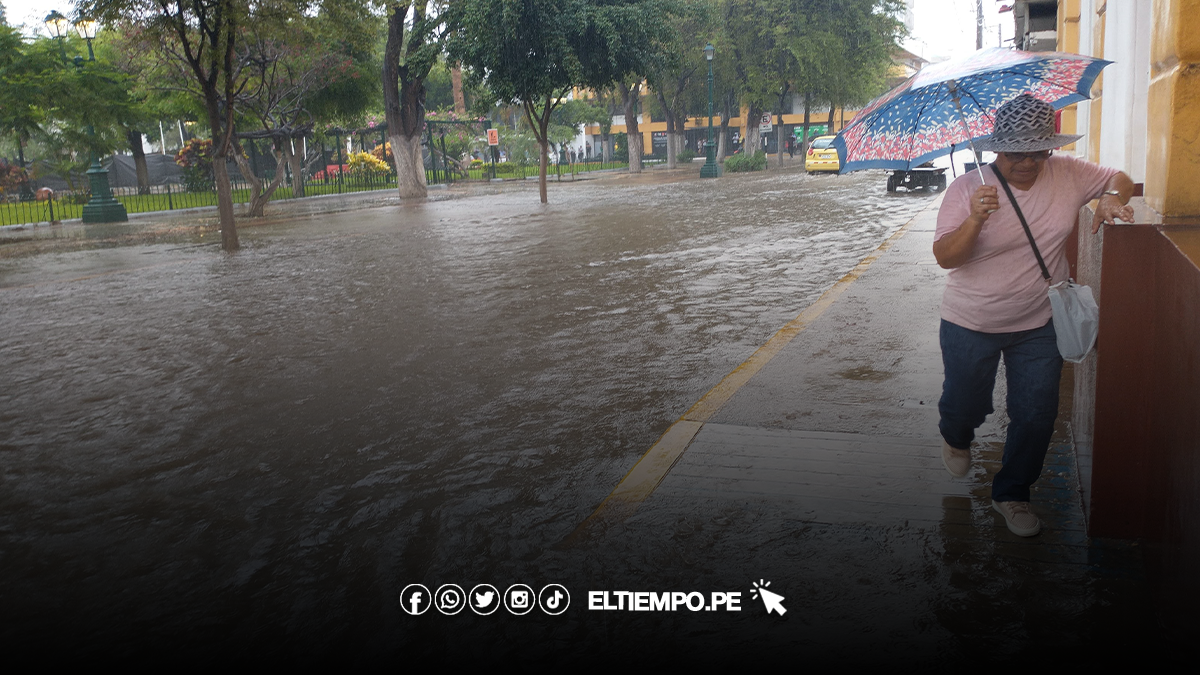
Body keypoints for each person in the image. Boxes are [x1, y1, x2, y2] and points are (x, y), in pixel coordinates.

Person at [932, 94, 1134, 537]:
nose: (1027, 162)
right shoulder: (967, 189)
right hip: (971, 321)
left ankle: (1013, 493)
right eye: (1016, 153)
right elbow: (946, 257)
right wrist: (974, 220)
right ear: (996, 149)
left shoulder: (1069, 173)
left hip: (1040, 321)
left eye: (1038, 151)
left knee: (1037, 413)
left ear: (1051, 147)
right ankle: (956, 433)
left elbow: (1120, 178)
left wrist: (1110, 199)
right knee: (966, 403)